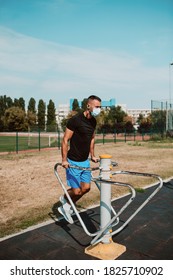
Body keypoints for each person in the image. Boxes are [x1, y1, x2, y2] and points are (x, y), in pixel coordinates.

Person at [58, 95, 101, 223]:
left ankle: (66, 204)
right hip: (73, 161)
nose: (99, 109)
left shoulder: (93, 121)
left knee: (86, 188)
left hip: (85, 161)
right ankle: (66, 199)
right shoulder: (75, 120)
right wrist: (64, 159)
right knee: (76, 192)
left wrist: (92, 155)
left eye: (100, 107)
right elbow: (65, 140)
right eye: (97, 106)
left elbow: (92, 138)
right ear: (89, 105)